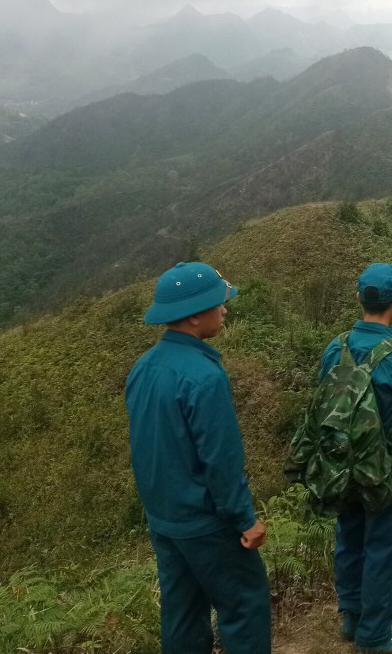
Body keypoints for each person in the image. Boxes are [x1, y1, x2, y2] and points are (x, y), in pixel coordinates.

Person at [125, 261, 271, 654]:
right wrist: (245, 519)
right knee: (245, 604)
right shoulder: (204, 376)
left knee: (183, 611)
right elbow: (220, 460)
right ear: (193, 315)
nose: (224, 310)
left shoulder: (143, 368)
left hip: (165, 519)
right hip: (207, 522)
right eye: (217, 303)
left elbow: (148, 447)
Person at [317, 263, 392, 653]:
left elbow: (322, 405)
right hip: (385, 470)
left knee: (348, 537)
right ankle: (374, 636)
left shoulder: (337, 346)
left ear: (359, 298)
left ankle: (351, 615)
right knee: (381, 547)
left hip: (340, 464)